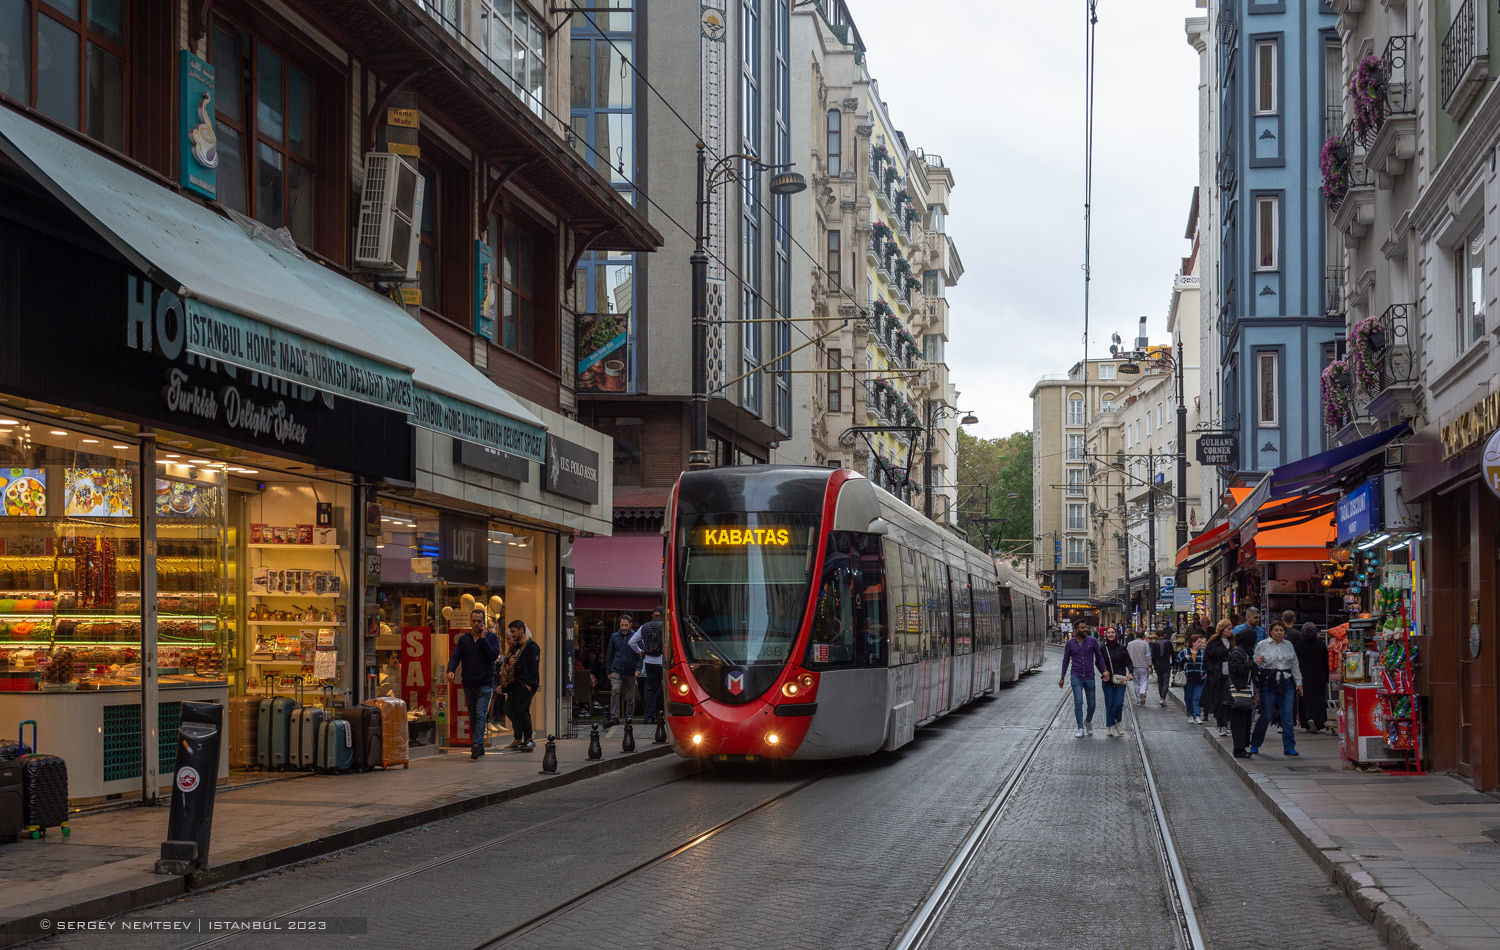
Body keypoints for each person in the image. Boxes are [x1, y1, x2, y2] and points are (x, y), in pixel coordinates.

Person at [445, 609, 501, 760]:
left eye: (479, 621)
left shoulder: (491, 638)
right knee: (473, 716)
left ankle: (476, 744)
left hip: (485, 683)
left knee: (480, 713)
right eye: (474, 621)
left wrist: (483, 639)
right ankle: (480, 746)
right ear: (470, 621)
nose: (476, 624)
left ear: (483, 622)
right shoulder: (464, 640)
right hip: (469, 683)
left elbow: (493, 655)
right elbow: (455, 656)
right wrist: (451, 670)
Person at [1250, 620, 1304, 756]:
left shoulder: (1289, 645)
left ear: (1285, 633)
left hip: (1286, 682)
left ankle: (1289, 746)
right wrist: (1258, 662)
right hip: (1269, 681)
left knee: (1287, 716)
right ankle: (1255, 743)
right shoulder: (1263, 645)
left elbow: (1294, 664)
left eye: (1281, 630)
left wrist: (1299, 682)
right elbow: (1255, 661)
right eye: (1276, 630)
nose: (1279, 632)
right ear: (1271, 632)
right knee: (1266, 714)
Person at [1057, 622, 1106, 738]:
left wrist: (1104, 669)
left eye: (1085, 627)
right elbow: (1065, 660)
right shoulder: (1070, 644)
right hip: (1076, 676)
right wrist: (1062, 677)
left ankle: (1088, 722)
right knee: (1078, 702)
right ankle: (1080, 727)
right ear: (1076, 630)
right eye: (1082, 628)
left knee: (1092, 704)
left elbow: (1099, 656)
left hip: (1089, 676)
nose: (1085, 629)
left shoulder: (1092, 641)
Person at [501, 620, 541, 750]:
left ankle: (528, 738)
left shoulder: (532, 647)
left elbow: (533, 666)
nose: (512, 635)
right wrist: (509, 660)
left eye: (513, 631)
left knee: (521, 710)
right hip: (516, 683)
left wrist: (529, 683)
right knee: (515, 709)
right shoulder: (515, 646)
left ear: (521, 630)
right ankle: (520, 739)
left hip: (526, 684)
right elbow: (509, 661)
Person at [629, 608, 666, 723]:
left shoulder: (644, 627)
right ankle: (663, 714)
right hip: (662, 661)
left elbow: (631, 642)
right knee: (665, 689)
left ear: (652, 615)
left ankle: (649, 717)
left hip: (649, 661)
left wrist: (640, 651)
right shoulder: (665, 627)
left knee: (650, 690)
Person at [605, 614, 641, 726]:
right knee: (615, 691)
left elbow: (639, 654)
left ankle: (629, 717)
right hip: (616, 669)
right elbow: (610, 654)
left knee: (630, 697)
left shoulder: (635, 637)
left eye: (626, 625)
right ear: (619, 625)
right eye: (622, 625)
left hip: (630, 670)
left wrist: (638, 668)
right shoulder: (614, 637)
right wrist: (608, 670)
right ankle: (614, 716)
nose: (624, 627)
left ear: (630, 625)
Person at [1201, 620, 1235, 737]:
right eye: (1228, 628)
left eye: (1231, 628)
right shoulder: (1213, 643)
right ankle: (1221, 724)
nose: (1230, 631)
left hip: (1230, 677)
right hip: (1218, 677)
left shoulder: (1233, 643)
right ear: (1222, 630)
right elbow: (1206, 661)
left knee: (1230, 701)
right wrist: (1214, 670)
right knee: (1220, 701)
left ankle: (1228, 722)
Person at [1099, 626, 1133, 738]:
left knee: (1118, 703)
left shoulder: (1122, 648)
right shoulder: (1103, 648)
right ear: (1106, 635)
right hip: (1107, 680)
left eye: (1112, 632)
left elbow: (1129, 662)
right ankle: (1110, 726)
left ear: (1116, 634)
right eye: (1108, 633)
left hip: (1120, 680)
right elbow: (1097, 662)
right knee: (1109, 703)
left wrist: (1130, 673)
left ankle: (1118, 722)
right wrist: (1103, 672)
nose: (1110, 634)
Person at [1297, 622, 1330, 733]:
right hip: (1319, 676)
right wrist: (1327, 678)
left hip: (1303, 677)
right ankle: (1317, 720)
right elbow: (1326, 663)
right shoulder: (1320, 644)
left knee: (1305, 699)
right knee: (1318, 699)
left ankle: (1307, 720)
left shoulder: (1299, 644)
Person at [1227, 629, 1256, 758]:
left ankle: (1242, 747)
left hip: (1245, 690)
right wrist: (1253, 663)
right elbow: (1237, 669)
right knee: (1239, 721)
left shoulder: (1244, 651)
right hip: (1239, 690)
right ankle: (1239, 748)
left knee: (1244, 721)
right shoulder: (1238, 652)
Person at [1177, 633, 1208, 724]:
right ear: (1193, 643)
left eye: (1201, 642)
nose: (1201, 644)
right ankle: (1190, 715)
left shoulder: (1203, 653)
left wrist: (1205, 676)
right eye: (1199, 642)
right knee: (1188, 698)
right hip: (1188, 680)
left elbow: (1207, 665)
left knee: (1197, 697)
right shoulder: (1185, 652)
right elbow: (1177, 662)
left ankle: (1197, 716)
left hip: (1200, 680)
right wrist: (1184, 659)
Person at [1126, 627, 1152, 706]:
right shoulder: (1145, 644)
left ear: (1135, 636)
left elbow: (1127, 655)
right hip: (1143, 665)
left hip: (1133, 666)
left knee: (1136, 683)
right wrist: (1150, 666)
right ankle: (1142, 692)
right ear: (1143, 637)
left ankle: (1138, 699)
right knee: (1144, 681)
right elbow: (1148, 656)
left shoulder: (1130, 644)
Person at [1149, 630, 1175, 706]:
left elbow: (1152, 656)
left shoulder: (1154, 644)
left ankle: (1161, 698)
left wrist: (1154, 665)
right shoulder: (1168, 643)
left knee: (1160, 682)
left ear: (1157, 636)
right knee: (1166, 681)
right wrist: (1173, 663)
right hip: (1166, 664)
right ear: (1164, 635)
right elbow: (1173, 654)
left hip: (1158, 665)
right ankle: (1162, 698)